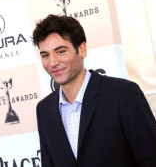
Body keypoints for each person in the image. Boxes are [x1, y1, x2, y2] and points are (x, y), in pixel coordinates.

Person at [33, 14, 156, 166]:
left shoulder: (123, 94)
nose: (52, 62)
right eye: (45, 55)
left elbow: (151, 158)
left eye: (60, 51)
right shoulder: (44, 109)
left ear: (82, 49)